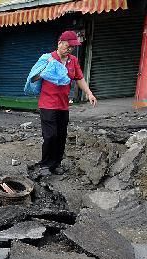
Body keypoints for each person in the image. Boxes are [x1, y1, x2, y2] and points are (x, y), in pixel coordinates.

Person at [31, 30, 97, 176]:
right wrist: (45, 69)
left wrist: (89, 93)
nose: (70, 49)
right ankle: (45, 164)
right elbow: (33, 78)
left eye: (72, 47)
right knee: (50, 136)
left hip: (63, 105)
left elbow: (79, 78)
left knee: (61, 136)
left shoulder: (73, 60)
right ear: (60, 43)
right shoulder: (47, 58)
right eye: (68, 46)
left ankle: (56, 164)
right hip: (47, 104)